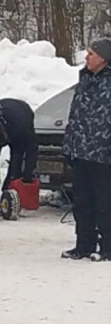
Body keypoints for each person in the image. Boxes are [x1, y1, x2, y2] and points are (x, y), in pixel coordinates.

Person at [61, 38, 111, 262]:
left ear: (103, 58)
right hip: (81, 152)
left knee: (104, 203)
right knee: (82, 202)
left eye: (91, 54)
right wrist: (69, 145)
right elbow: (75, 115)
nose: (86, 58)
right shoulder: (85, 80)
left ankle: (108, 246)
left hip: (103, 154)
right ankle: (84, 243)